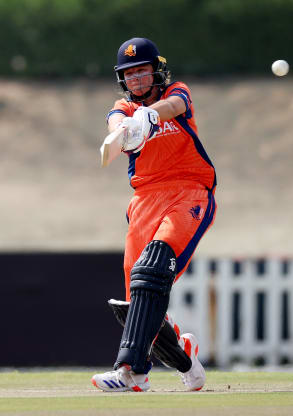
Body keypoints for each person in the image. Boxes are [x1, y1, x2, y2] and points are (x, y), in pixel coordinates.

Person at [91, 37, 217, 393]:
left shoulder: (176, 92)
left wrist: (151, 114)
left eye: (143, 71)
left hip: (189, 191)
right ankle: (186, 362)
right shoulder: (122, 107)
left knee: (153, 269)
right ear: (122, 79)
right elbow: (114, 125)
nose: (137, 80)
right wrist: (126, 128)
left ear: (156, 71)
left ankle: (130, 372)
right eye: (129, 74)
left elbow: (176, 105)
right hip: (144, 201)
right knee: (138, 301)